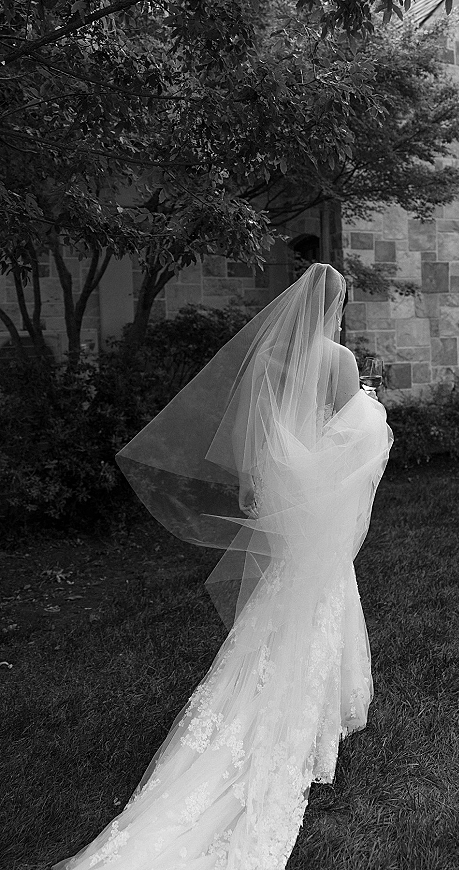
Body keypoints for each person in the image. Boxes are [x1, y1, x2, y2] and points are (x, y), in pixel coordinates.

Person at [53, 262, 394, 870]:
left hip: (286, 504)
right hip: (316, 507)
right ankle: (312, 713)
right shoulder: (338, 359)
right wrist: (374, 408)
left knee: (286, 598)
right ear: (331, 306)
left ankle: (297, 699)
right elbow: (350, 436)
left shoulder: (266, 363)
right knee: (320, 594)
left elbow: (254, 448)